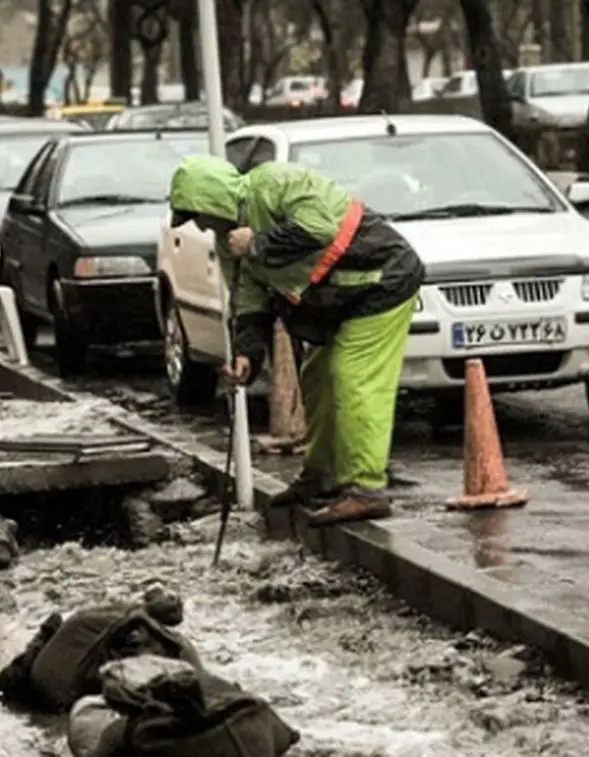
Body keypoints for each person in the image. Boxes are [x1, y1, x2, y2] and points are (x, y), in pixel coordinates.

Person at [168, 155, 424, 527]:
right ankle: (322, 475)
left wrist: (257, 243)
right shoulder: (229, 244)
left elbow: (317, 227)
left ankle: (366, 490)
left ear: (211, 201)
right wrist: (247, 355)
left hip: (381, 280)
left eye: (198, 215)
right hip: (335, 301)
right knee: (316, 379)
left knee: (353, 377)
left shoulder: (275, 183)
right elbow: (249, 299)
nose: (202, 226)